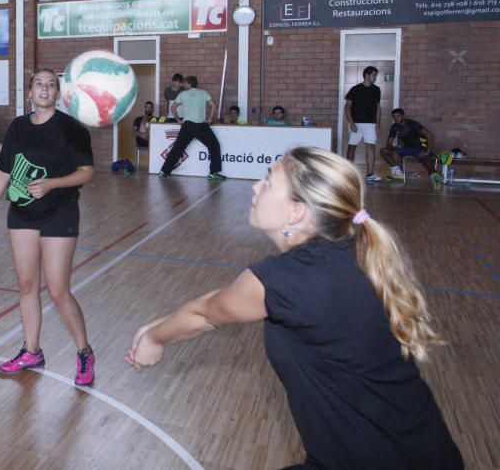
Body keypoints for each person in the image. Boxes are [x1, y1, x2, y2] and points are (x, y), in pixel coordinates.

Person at [127, 147, 463, 469]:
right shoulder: (338, 256)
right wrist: (160, 324)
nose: (257, 186)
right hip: (414, 449)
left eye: (269, 181)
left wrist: (155, 338)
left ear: (296, 211)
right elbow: (226, 299)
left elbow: (206, 314)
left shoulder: (295, 278)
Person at [0, 69, 96, 386]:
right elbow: (4, 172)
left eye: (51, 85)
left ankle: (84, 351)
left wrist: (53, 184)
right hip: (22, 214)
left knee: (57, 290)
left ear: (58, 93)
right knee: (27, 287)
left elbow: (86, 172)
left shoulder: (72, 129)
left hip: (60, 211)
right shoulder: (17, 127)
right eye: (39, 84)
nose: (45, 89)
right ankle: (32, 352)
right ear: (29, 92)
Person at [158, 76, 225, 181]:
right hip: (201, 125)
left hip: (187, 125)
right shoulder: (203, 93)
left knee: (177, 148)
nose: (184, 85)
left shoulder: (183, 94)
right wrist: (210, 118)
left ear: (189, 84)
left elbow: (172, 108)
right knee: (214, 145)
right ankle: (213, 172)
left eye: (185, 83)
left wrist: (178, 120)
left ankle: (164, 171)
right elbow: (213, 105)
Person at [382, 108, 443, 188]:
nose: (396, 119)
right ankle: (397, 172)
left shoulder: (412, 124)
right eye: (394, 117)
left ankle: (434, 176)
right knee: (384, 151)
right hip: (407, 149)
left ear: (403, 116)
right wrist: (393, 151)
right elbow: (389, 143)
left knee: (424, 159)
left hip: (419, 147)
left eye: (398, 116)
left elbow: (429, 135)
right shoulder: (394, 127)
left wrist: (428, 151)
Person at [344, 66, 382, 183]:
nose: (375, 78)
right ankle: (349, 173)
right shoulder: (355, 89)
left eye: (376, 76)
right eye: (373, 75)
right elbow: (347, 107)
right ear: (367, 75)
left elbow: (378, 108)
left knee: (371, 147)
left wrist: (378, 125)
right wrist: (351, 123)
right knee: (352, 146)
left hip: (371, 124)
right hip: (356, 123)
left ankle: (370, 174)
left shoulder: (376, 90)